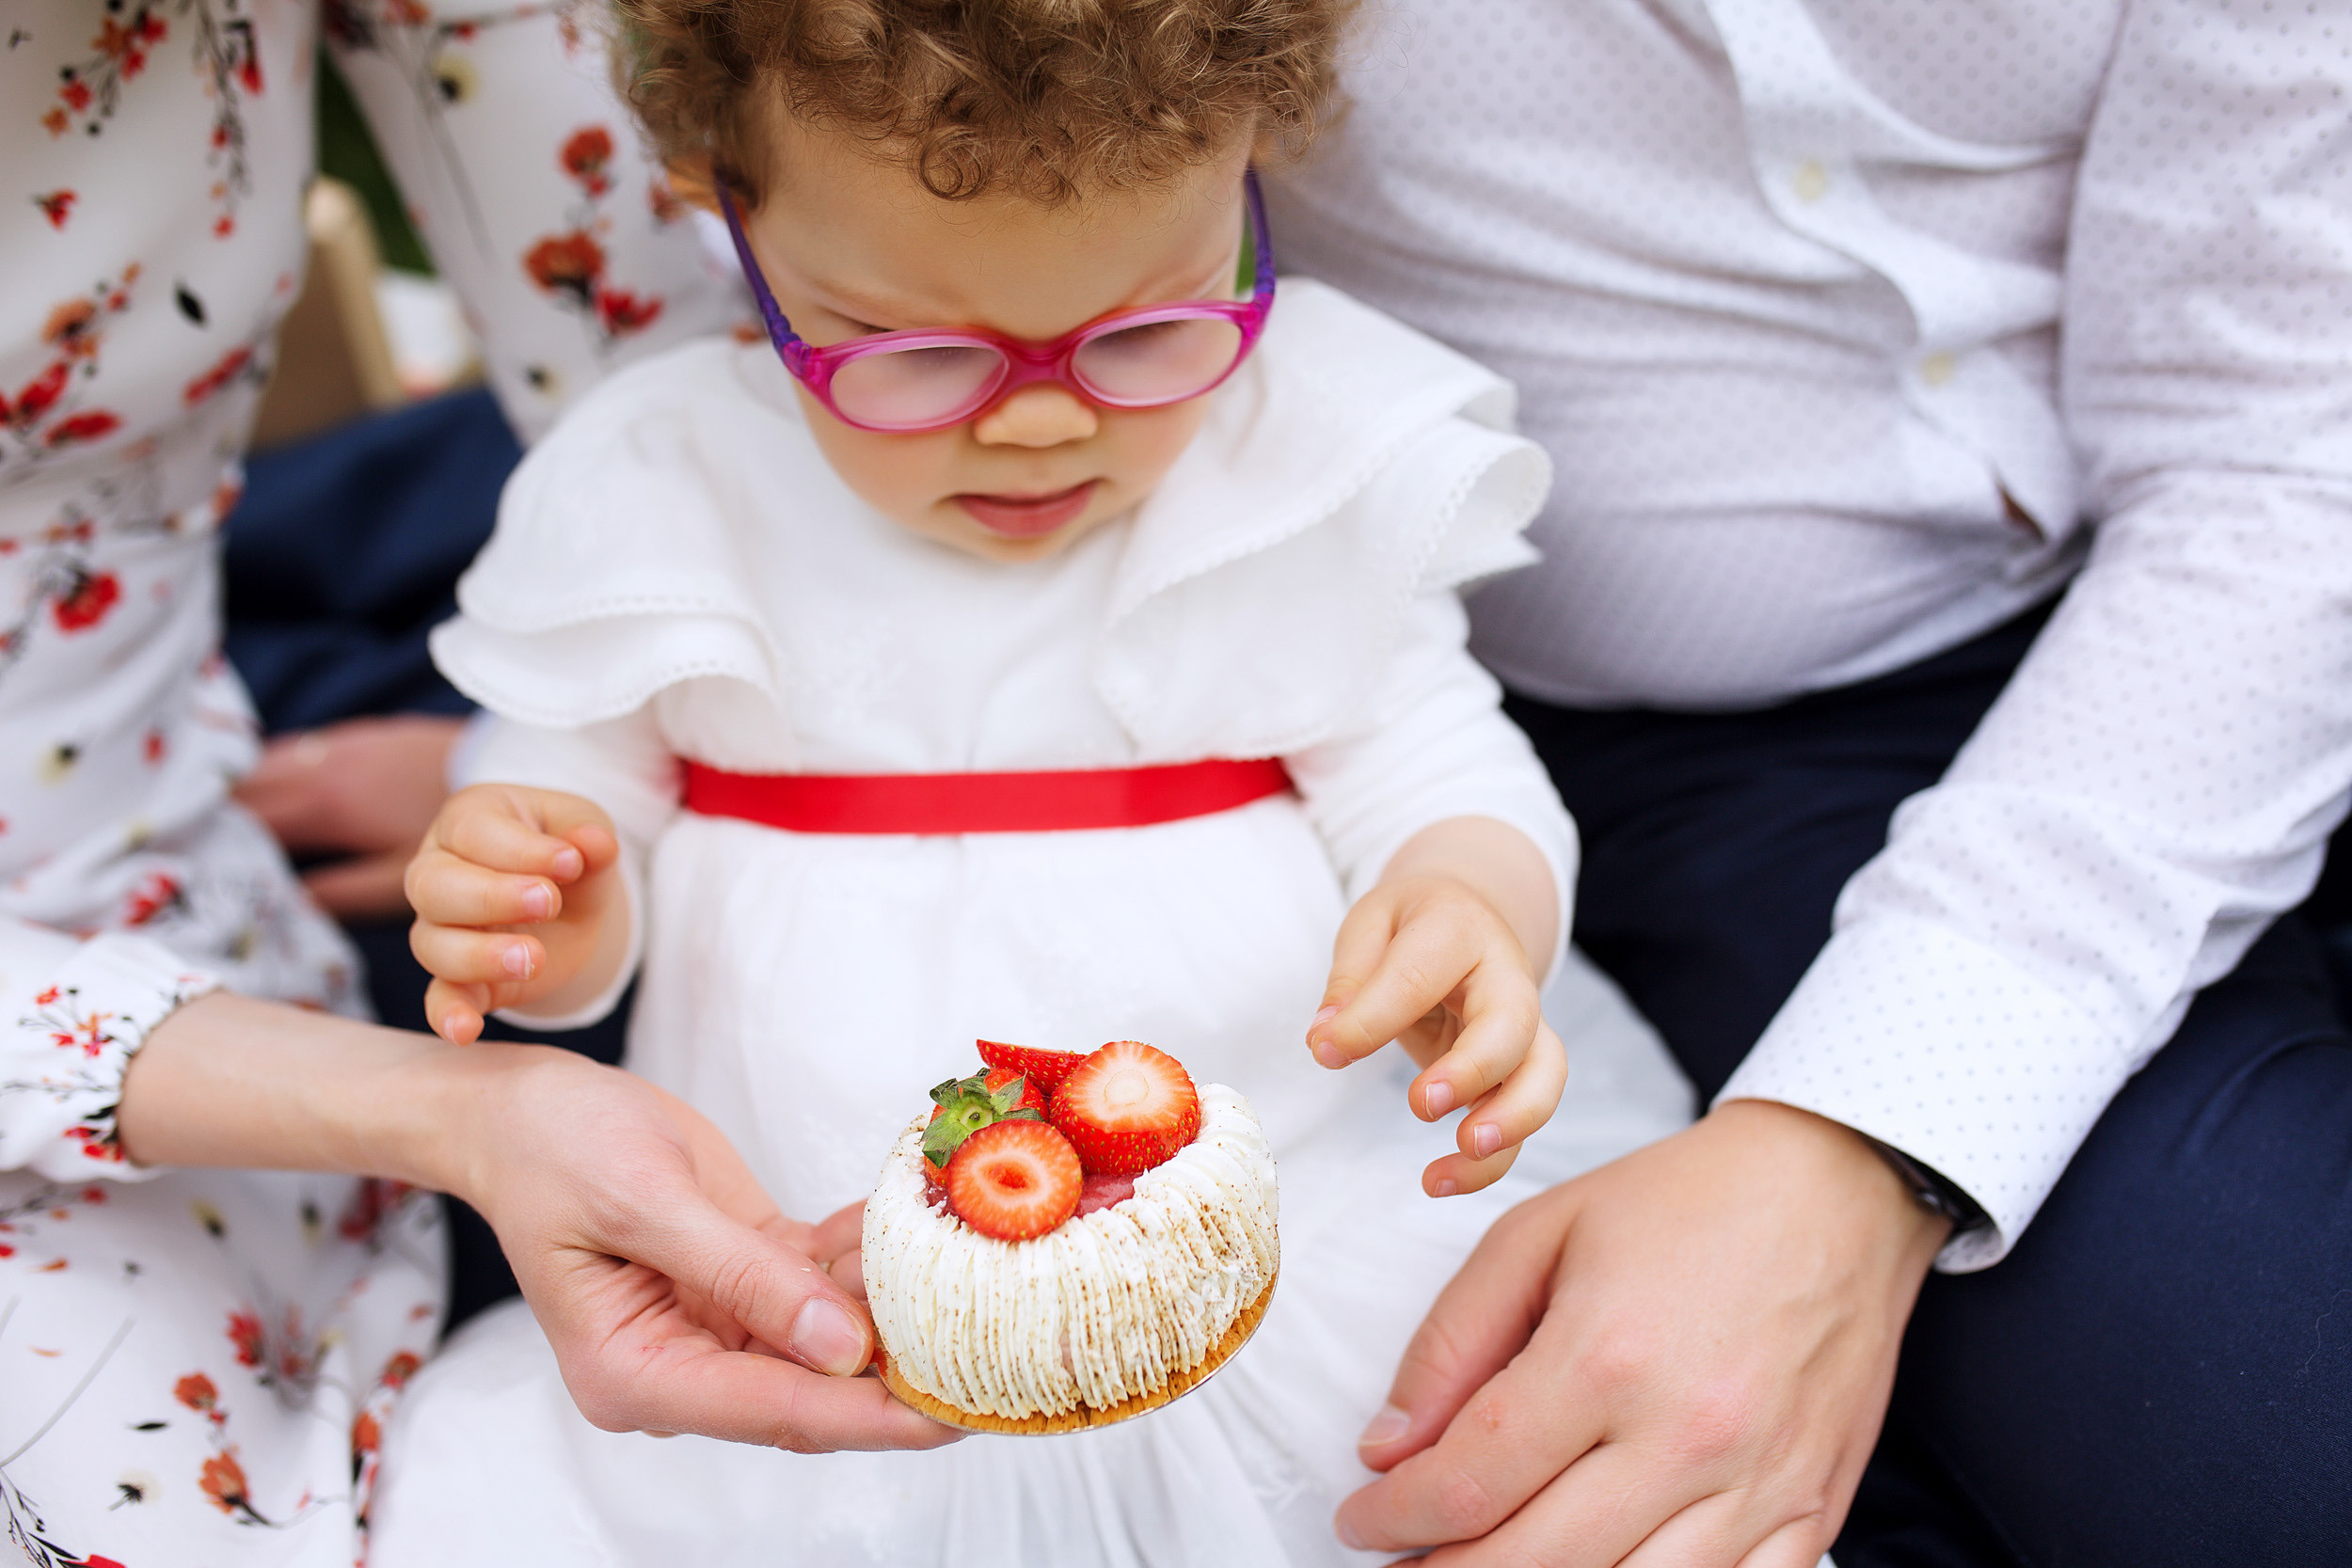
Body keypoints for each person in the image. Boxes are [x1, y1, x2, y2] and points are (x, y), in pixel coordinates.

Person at [361, 2, 1684, 1561]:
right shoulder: (658, 481)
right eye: (920, 358)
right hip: (819, 1280)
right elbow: (572, 810)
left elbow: (1434, 761)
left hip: (1274, 1231)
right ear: (731, 207)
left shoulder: (1293, 455)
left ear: (1248, 182)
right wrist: (557, 912)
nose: (1046, 421)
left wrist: (1470, 896)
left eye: (1146, 335)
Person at [1261, 2, 2352, 1563]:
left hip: (2242, 585)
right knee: (2283, 1458)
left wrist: (1857, 1136)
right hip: (1738, 749)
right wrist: (1862, 1133)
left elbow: (2285, 449)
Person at [0, 6, 950, 1563]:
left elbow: (684, 412)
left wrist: (571, 762)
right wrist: (456, 1111)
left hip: (170, 862)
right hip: (154, 1050)